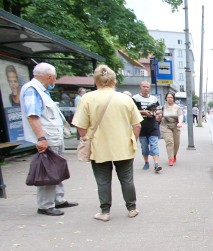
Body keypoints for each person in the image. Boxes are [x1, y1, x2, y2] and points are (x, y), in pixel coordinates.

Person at [71, 64, 143, 222]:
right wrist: (132, 141)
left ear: (96, 80)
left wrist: (87, 140)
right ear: (114, 81)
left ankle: (105, 212)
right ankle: (131, 208)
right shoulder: (125, 99)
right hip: (123, 146)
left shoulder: (87, 98)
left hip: (99, 147)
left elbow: (81, 126)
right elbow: (137, 125)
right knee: (127, 179)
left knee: (103, 180)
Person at [20, 62, 78, 216]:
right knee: (48, 170)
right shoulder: (33, 90)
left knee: (56, 168)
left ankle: (58, 199)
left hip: (53, 136)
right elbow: (32, 116)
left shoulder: (41, 90)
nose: (55, 81)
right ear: (50, 77)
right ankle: (45, 205)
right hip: (47, 137)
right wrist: (41, 138)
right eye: (55, 78)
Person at [132, 81, 161, 173]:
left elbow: (158, 110)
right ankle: (146, 162)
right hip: (141, 126)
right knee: (144, 147)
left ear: (150, 88)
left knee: (154, 145)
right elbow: (132, 110)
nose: (145, 88)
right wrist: (144, 112)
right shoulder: (135, 98)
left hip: (152, 125)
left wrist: (156, 114)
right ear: (141, 87)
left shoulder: (154, 99)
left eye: (147, 87)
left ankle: (156, 165)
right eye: (144, 87)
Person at [161, 92, 184, 166]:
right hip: (165, 126)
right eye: (168, 97)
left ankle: (174, 155)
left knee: (176, 143)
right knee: (169, 142)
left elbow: (180, 115)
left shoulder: (177, 107)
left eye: (171, 97)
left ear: (174, 98)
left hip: (175, 126)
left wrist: (180, 122)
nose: (169, 99)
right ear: (166, 98)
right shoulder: (163, 107)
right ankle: (170, 159)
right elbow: (159, 115)